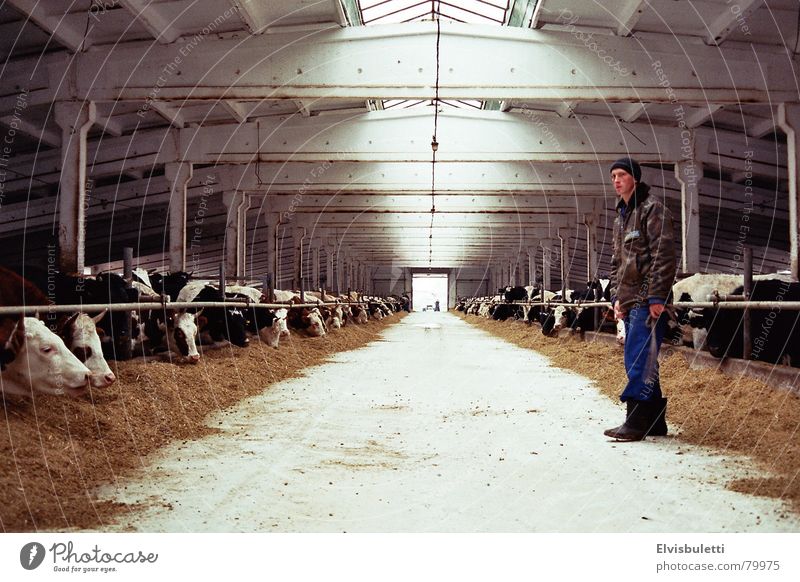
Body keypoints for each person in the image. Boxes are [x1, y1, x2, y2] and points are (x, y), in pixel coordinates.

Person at [605, 158, 676, 441]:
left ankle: (635, 422)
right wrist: (615, 297)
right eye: (612, 176)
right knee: (643, 358)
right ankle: (656, 421)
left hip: (649, 300)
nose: (616, 180)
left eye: (621, 174)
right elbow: (616, 262)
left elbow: (664, 254)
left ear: (635, 178)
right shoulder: (620, 217)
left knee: (637, 357)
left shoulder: (652, 208)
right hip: (629, 300)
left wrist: (657, 295)